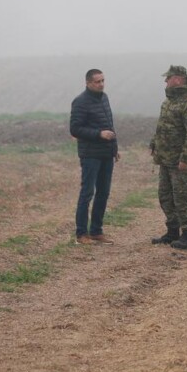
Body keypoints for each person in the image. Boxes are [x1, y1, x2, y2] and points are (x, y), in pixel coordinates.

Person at [150, 65, 187, 250]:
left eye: (169, 78)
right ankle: (172, 231)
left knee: (182, 197)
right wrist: (154, 144)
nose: (166, 81)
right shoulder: (169, 101)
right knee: (165, 196)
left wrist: (185, 159)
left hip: (179, 161)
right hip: (165, 159)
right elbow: (163, 126)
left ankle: (186, 235)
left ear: (179, 79)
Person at [69, 68, 120, 245]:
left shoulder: (104, 98)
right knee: (87, 193)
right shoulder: (80, 102)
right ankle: (81, 234)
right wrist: (99, 134)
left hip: (106, 153)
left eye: (103, 81)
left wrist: (115, 148)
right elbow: (75, 129)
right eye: (97, 82)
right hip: (90, 154)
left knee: (103, 193)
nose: (101, 84)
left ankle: (96, 231)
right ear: (88, 83)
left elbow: (109, 125)